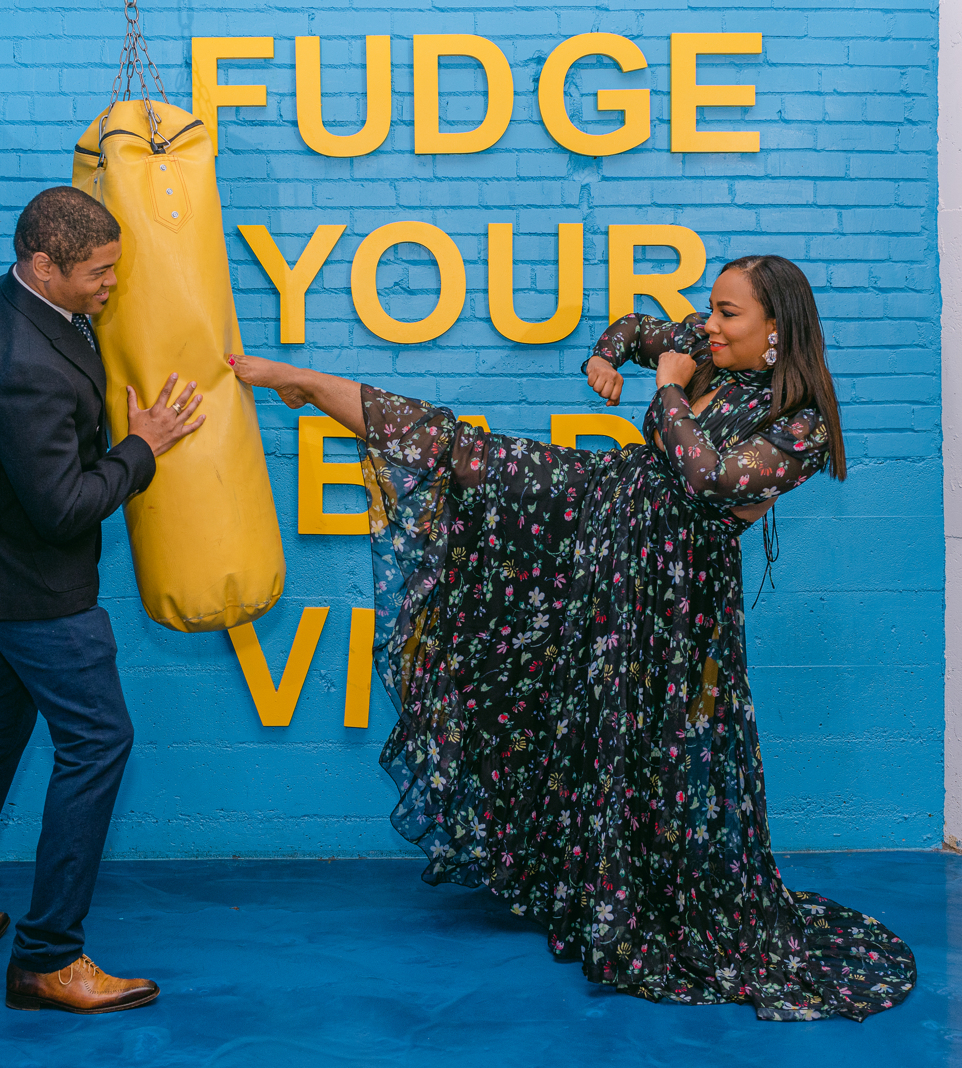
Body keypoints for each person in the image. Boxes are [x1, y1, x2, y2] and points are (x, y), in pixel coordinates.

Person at [233, 255, 917, 1021]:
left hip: (674, 595)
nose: (709, 323)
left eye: (728, 313)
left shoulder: (800, 427)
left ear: (777, 328)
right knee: (467, 455)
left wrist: (667, 387)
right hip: (603, 514)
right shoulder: (701, 347)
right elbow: (633, 328)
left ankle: (637, 894)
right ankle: (311, 384)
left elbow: (710, 481)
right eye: (711, 308)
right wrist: (605, 356)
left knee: (655, 741)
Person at [0, 186, 203, 1014]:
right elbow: (63, 506)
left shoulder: (11, 304)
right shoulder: (22, 367)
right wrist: (143, 447)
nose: (112, 282)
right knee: (100, 741)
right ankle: (48, 959)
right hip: (29, 587)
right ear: (43, 264)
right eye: (99, 271)